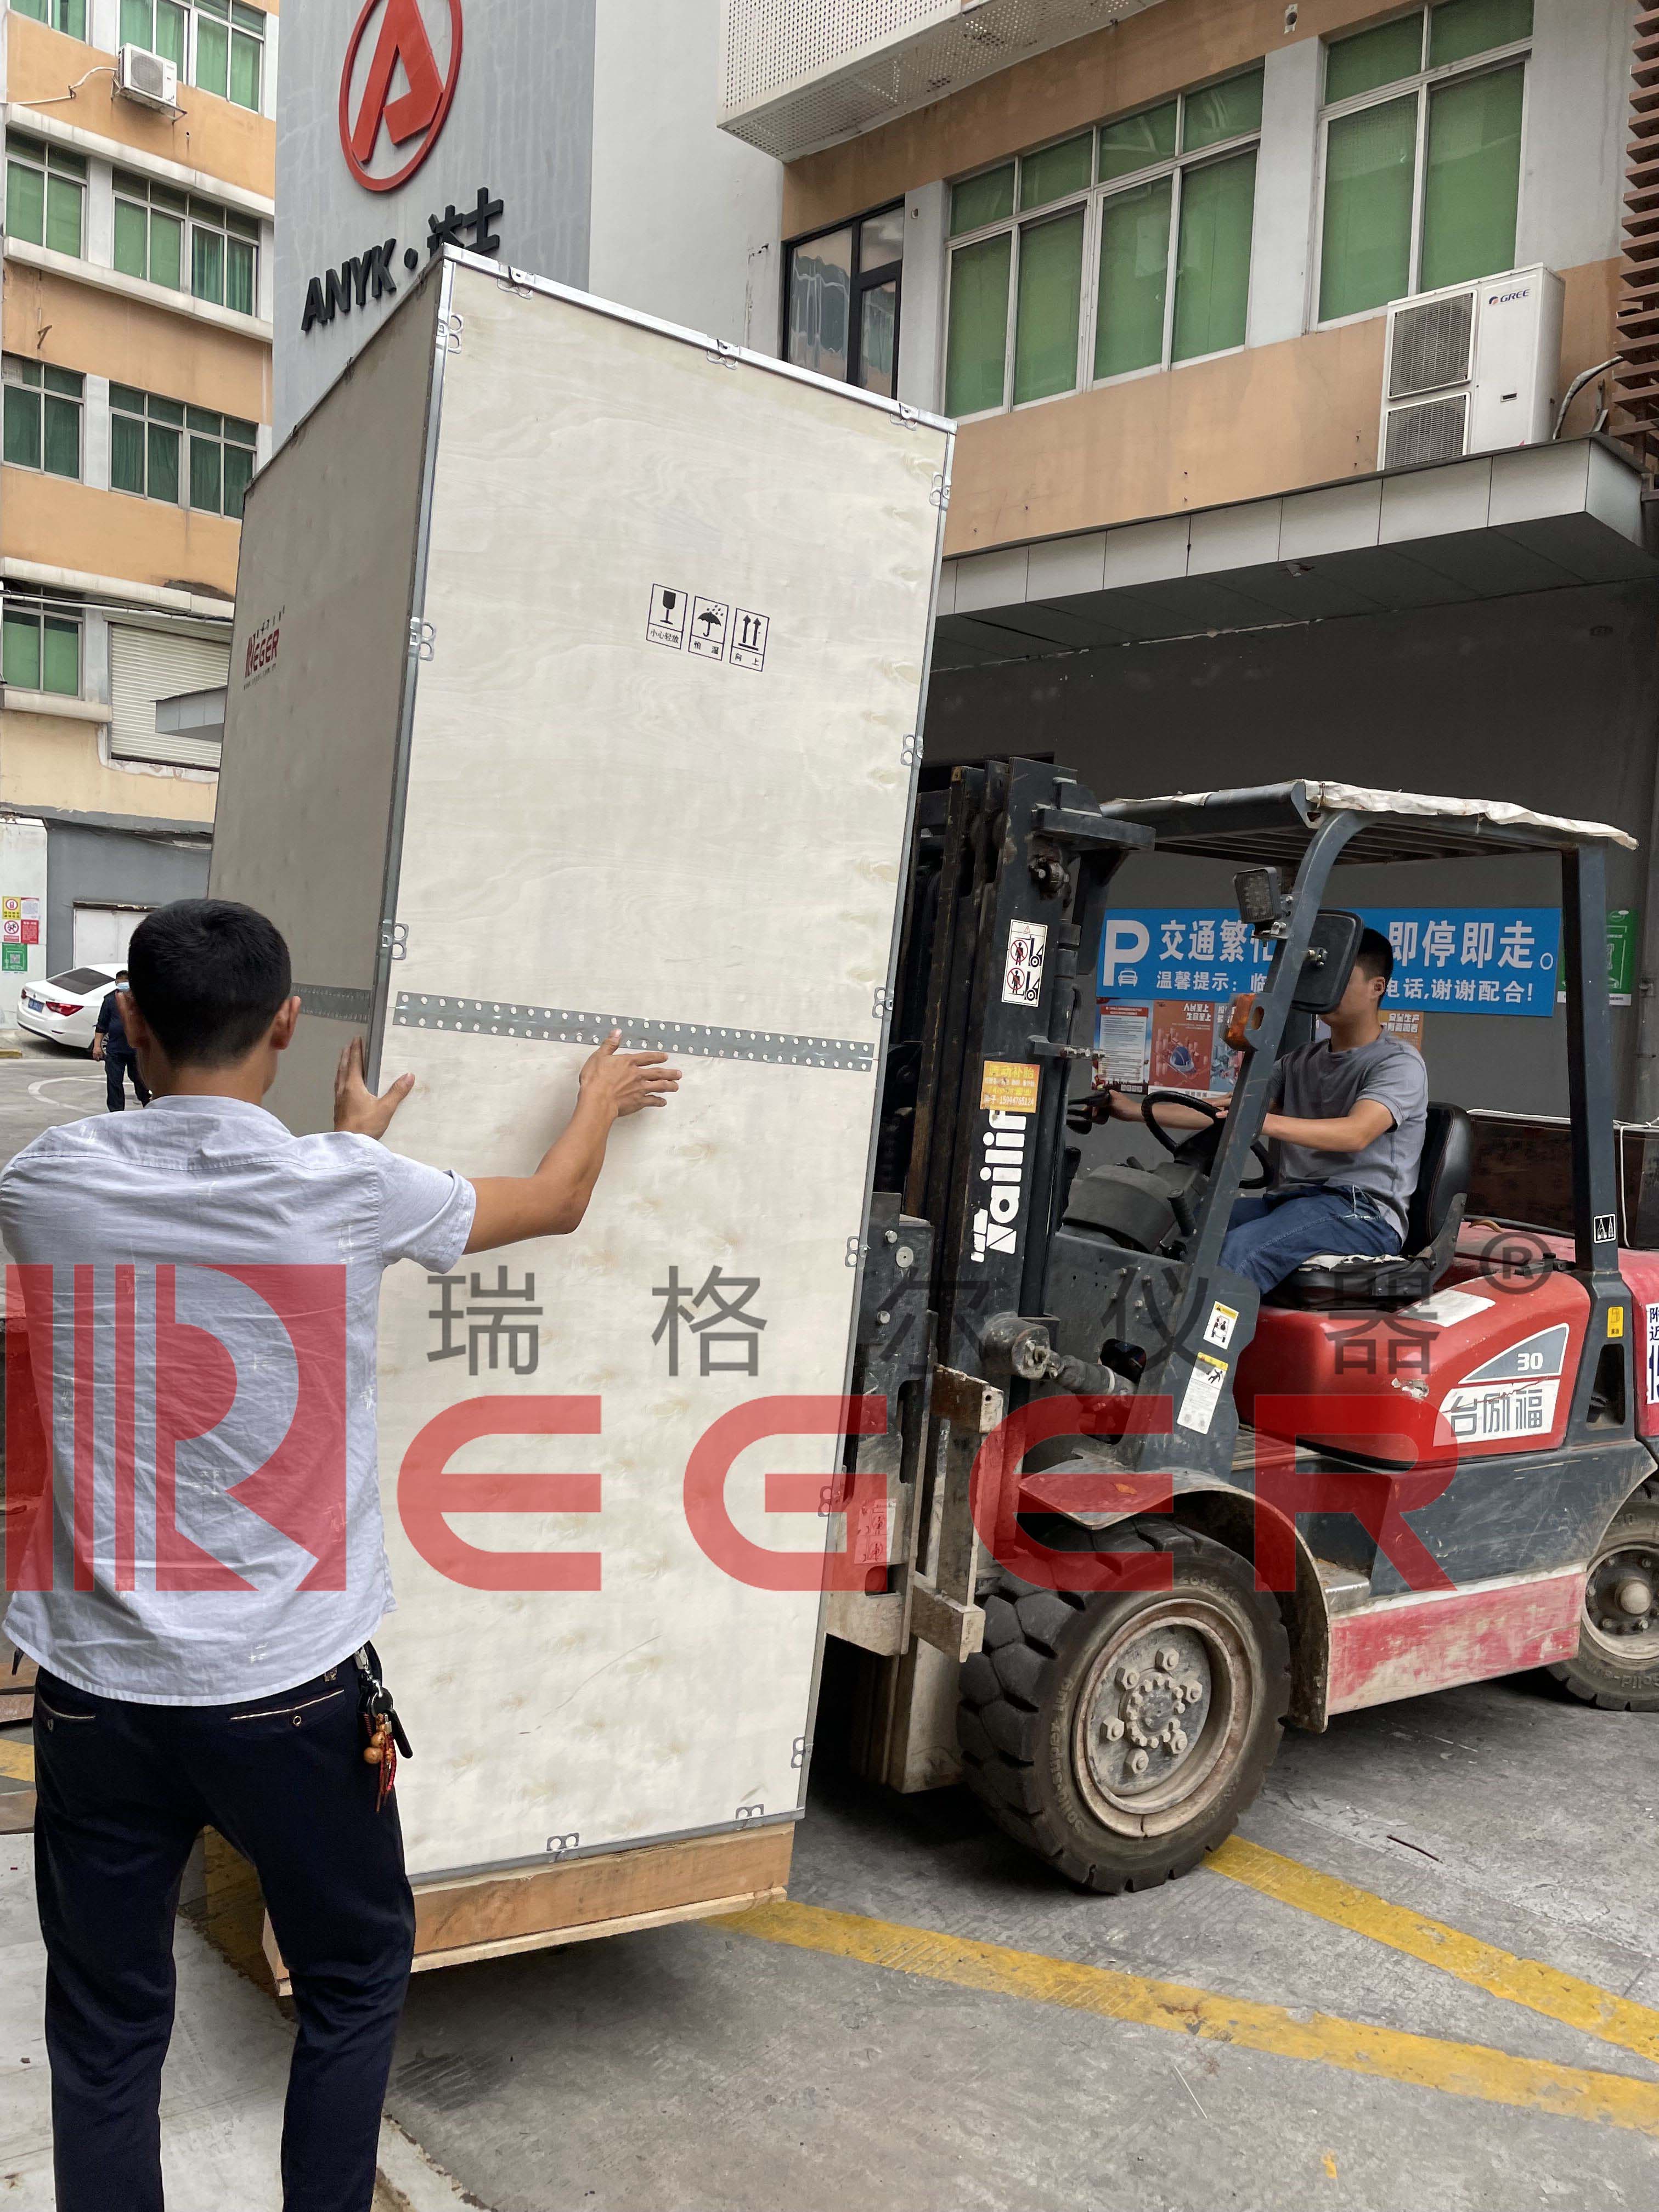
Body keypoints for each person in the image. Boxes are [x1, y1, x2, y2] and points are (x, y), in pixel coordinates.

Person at [0, 899, 680, 2212]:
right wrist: (595, 1096)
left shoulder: (45, 1184)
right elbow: (558, 1201)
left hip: (96, 1696)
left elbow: (198, 1210)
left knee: (106, 2029)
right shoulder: (352, 1191)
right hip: (291, 1696)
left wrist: (344, 1148)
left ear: (129, 1022)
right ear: (287, 1023)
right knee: (355, 1979)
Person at [1105, 929, 1427, 1295]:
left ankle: (1197, 1334)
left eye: (1342, 979)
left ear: (1376, 987)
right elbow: (1224, 1111)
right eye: (1325, 979)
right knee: (1178, 1225)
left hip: (1363, 1213)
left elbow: (1356, 1133)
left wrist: (1263, 1121)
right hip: (1292, 1202)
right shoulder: (1300, 1061)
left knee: (1234, 1254)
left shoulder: (1397, 1063)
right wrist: (1131, 1111)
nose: (1328, 989)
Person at [91, 966, 150, 1110]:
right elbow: (101, 1026)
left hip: (136, 1051)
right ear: (116, 983)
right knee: (114, 1083)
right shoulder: (110, 1000)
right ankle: (116, 1112)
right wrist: (97, 1046)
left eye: (125, 982)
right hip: (115, 1051)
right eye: (120, 982)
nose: (123, 984)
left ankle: (148, 1104)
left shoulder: (140, 999)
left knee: (140, 1081)